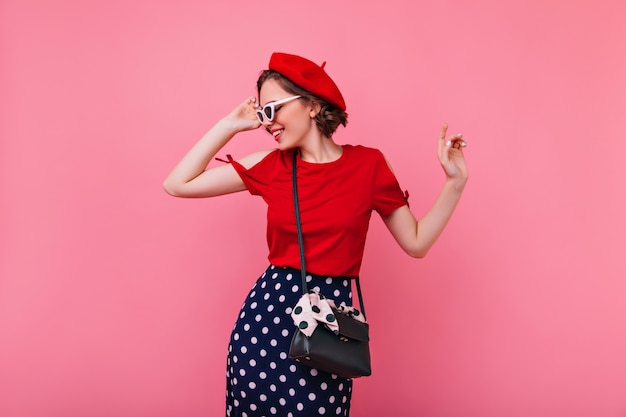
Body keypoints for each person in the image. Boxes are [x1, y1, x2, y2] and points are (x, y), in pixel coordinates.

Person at [163, 52, 468, 417]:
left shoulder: (368, 165)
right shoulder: (270, 166)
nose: (267, 122)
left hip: (327, 332)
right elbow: (177, 183)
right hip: (264, 326)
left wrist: (455, 182)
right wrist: (230, 125)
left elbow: (416, 243)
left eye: (273, 108)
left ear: (310, 104)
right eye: (262, 114)